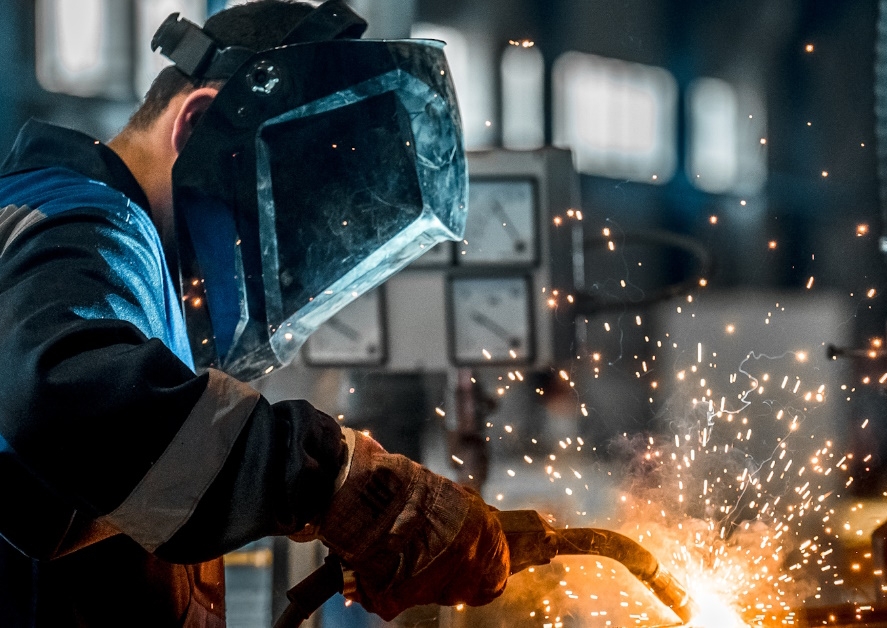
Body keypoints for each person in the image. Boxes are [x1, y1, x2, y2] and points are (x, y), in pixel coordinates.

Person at [0, 1, 509, 626]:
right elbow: (61, 404)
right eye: (282, 236)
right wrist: (331, 480)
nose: (281, 277)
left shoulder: (129, 274)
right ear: (199, 124)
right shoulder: (83, 223)